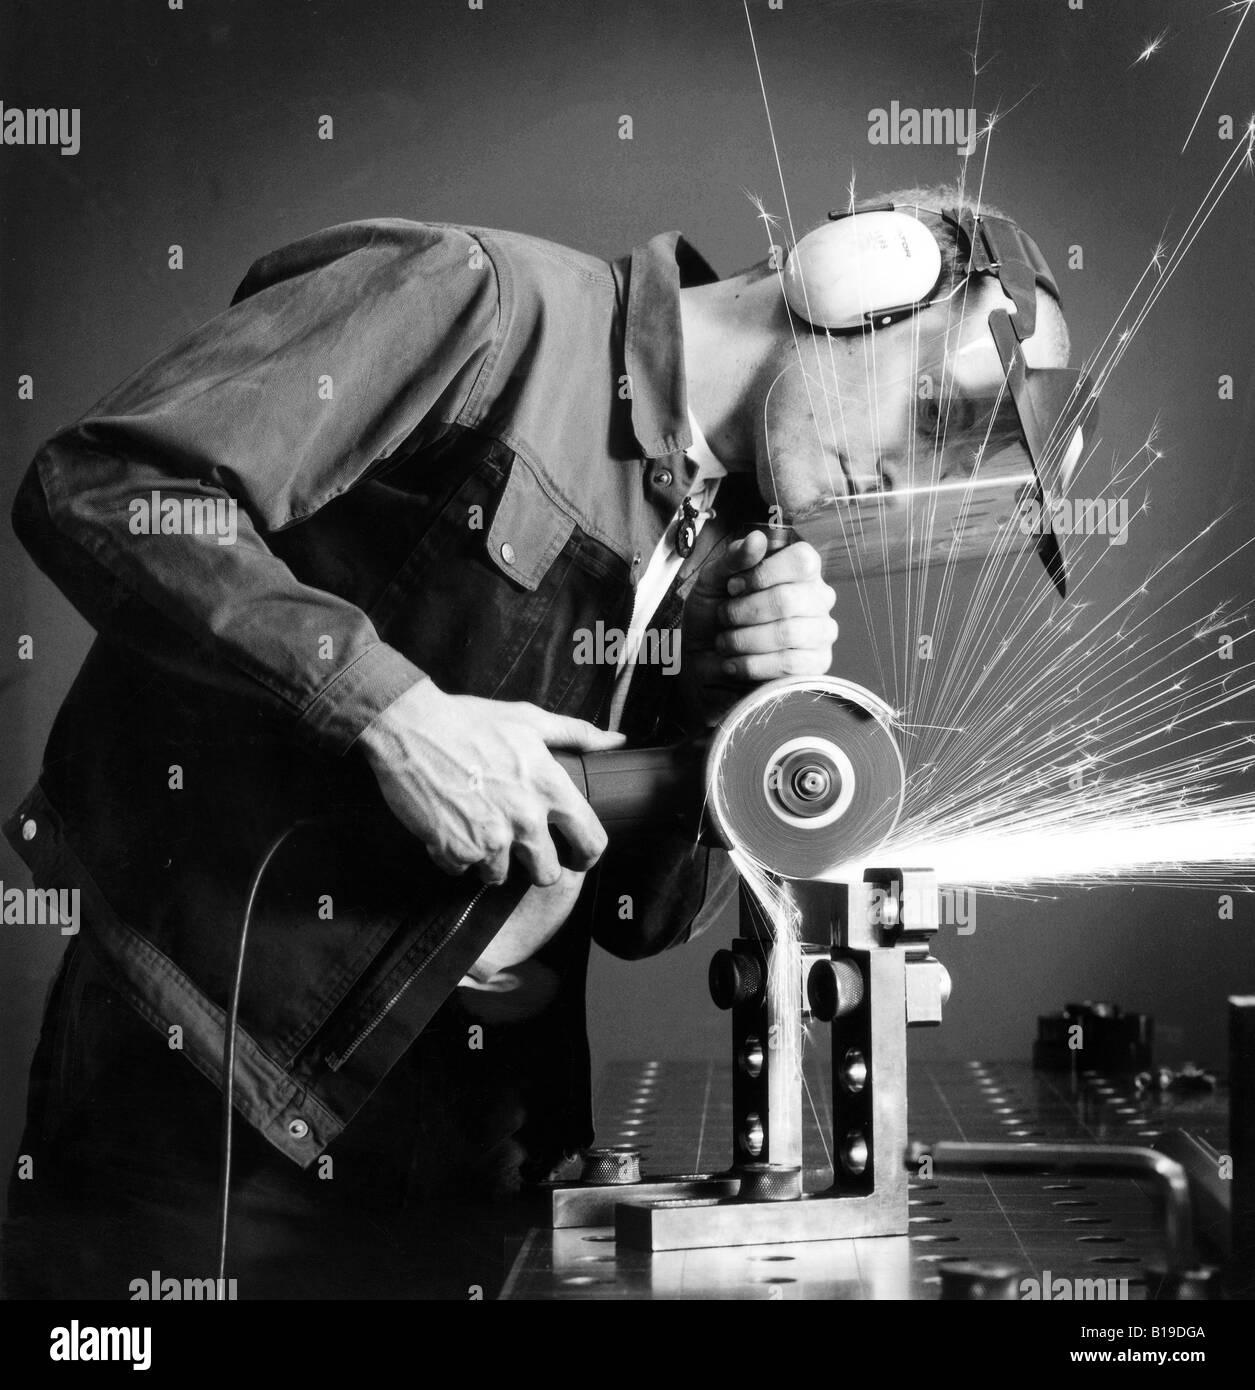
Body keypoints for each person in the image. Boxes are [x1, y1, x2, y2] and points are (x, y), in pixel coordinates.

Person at [3, 183, 1074, 1297]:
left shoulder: (736, 523)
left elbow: (639, 919)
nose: (909, 478)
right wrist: (392, 714)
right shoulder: (480, 308)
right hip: (213, 1099)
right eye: (929, 417)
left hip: (489, 1128)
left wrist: (725, 713)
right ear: (856, 282)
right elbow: (104, 486)